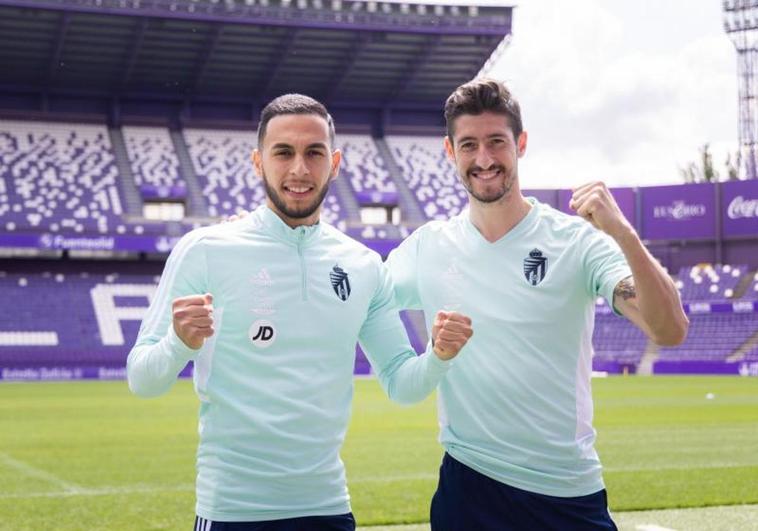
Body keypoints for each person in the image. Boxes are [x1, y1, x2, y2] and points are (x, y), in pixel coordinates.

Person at [126, 93, 473, 531]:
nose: (299, 170)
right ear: (257, 162)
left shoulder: (363, 264)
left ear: (336, 162)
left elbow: (402, 384)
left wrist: (438, 356)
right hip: (233, 512)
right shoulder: (206, 250)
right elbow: (142, 379)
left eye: (314, 153)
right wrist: (179, 343)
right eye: (283, 152)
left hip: (327, 508)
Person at [386, 78, 689, 530]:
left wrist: (623, 233)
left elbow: (670, 330)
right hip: (469, 488)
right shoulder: (427, 247)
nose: (484, 159)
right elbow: (351, 294)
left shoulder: (577, 242)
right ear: (450, 152)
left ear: (520, 144)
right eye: (469, 145)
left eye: (496, 142)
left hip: (566, 492)